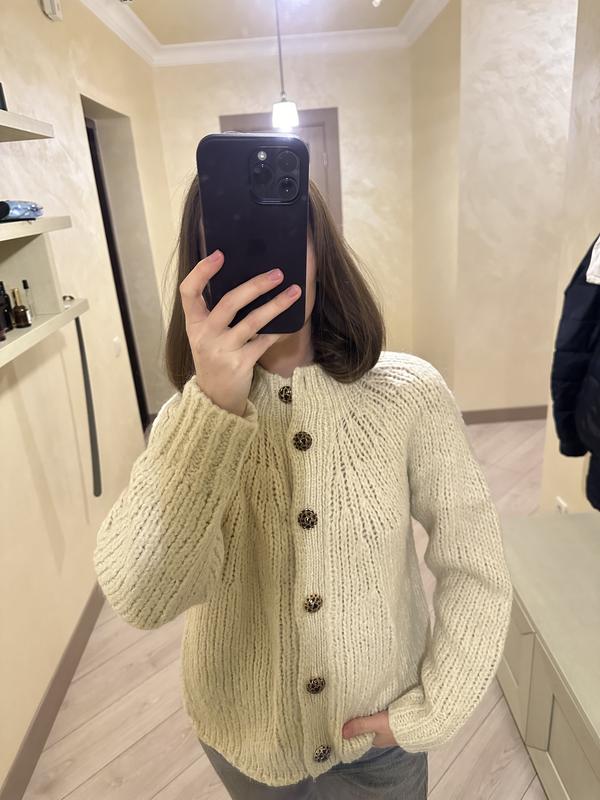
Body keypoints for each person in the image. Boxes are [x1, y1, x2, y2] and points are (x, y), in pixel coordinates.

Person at [93, 177, 513, 799]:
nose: (260, 265)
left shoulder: (410, 395)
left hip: (379, 741)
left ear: (320, 252)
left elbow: (475, 561)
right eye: (231, 247)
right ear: (198, 277)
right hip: (243, 736)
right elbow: (142, 597)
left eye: (284, 235)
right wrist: (213, 409)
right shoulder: (189, 423)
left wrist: (434, 707)